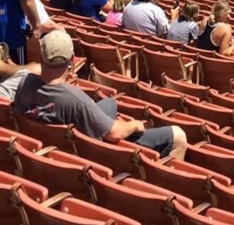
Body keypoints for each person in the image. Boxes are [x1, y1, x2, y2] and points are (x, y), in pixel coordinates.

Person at [11, 29, 186, 159]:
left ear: (41, 58)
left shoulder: (24, 83)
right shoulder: (75, 100)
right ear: (72, 60)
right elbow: (115, 134)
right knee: (178, 134)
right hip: (88, 155)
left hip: (48, 147)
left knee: (110, 103)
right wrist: (135, 125)